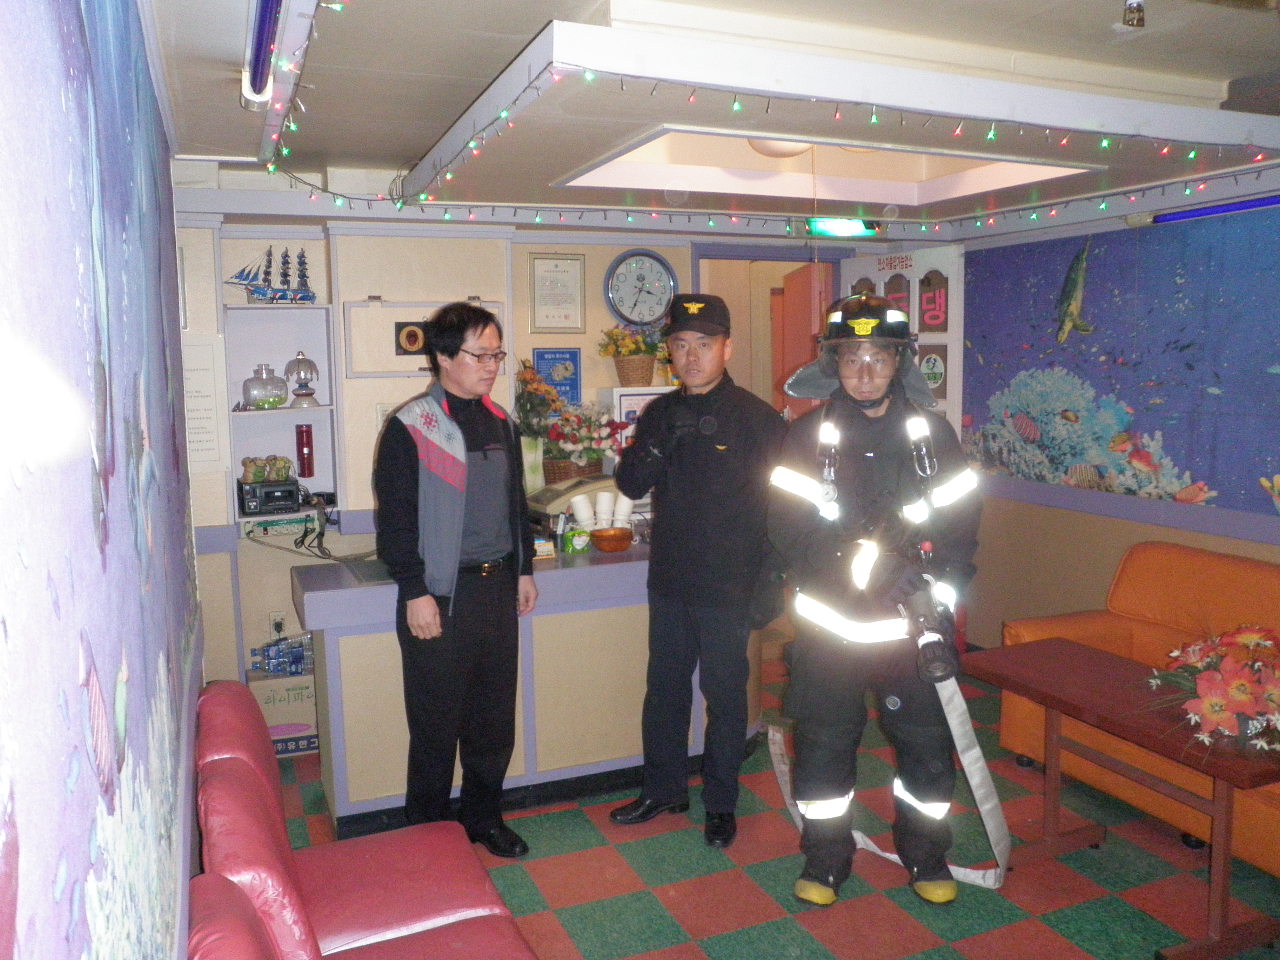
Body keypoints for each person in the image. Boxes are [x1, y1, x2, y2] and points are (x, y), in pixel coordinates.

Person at [766, 294, 981, 906]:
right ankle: (826, 860)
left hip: (912, 632)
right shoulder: (806, 437)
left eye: (878, 357)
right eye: (851, 357)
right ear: (832, 363)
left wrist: (933, 590)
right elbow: (790, 532)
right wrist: (870, 571)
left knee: (927, 750)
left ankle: (926, 855)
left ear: (899, 362)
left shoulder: (932, 436)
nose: (864, 372)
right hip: (831, 629)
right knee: (825, 747)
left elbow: (962, 529)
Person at [609, 293, 786, 848]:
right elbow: (630, 484)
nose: (691, 356)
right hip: (671, 580)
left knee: (725, 698)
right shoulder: (660, 414)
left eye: (704, 345)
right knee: (663, 691)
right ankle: (663, 789)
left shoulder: (759, 420)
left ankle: (721, 803)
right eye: (681, 345)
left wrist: (774, 581)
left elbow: (785, 511)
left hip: (730, 584)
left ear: (727, 348)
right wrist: (660, 444)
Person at [374, 300, 538, 859]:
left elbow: (517, 505)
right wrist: (414, 590)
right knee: (436, 726)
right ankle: (428, 837)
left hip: (496, 589)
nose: (491, 366)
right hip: (442, 597)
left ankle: (483, 819)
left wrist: (524, 569)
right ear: (444, 357)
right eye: (480, 355)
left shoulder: (501, 422)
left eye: (497, 355)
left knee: (493, 722)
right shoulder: (411, 427)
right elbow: (395, 522)